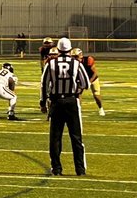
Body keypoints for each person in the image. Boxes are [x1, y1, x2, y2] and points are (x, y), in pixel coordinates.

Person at [41, 37, 89, 175]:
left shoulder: (50, 64)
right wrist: (76, 88)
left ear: (59, 49)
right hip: (71, 101)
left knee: (55, 137)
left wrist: (43, 102)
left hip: (56, 102)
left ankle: (56, 168)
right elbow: (86, 83)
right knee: (76, 137)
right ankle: (80, 169)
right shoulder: (76, 63)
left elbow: (44, 84)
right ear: (69, 49)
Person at [71, 48, 105, 116]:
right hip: (81, 79)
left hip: (92, 78)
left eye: (75, 56)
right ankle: (78, 110)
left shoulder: (88, 59)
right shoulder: (73, 63)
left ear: (80, 55)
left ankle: (101, 108)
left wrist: (89, 82)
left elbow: (95, 73)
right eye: (73, 57)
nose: (74, 58)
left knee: (96, 95)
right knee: (78, 94)